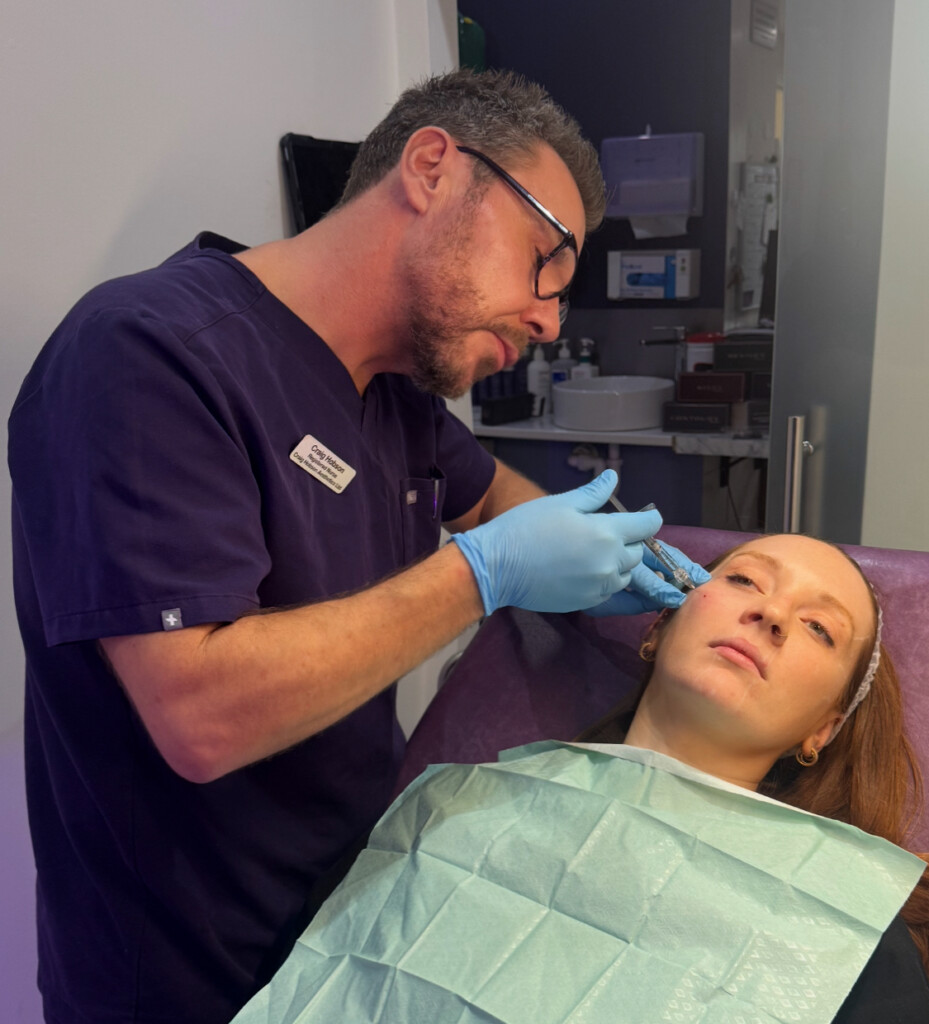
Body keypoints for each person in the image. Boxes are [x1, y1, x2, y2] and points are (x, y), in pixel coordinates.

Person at [7, 69, 707, 1024]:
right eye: (545, 258)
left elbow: (500, 497)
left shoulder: (394, 394)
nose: (549, 319)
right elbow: (201, 717)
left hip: (345, 937)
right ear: (431, 168)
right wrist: (483, 572)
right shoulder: (144, 355)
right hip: (179, 978)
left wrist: (611, 563)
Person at [229, 533, 929, 1023]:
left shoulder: (850, 940)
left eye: (817, 628)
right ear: (657, 628)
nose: (770, 613)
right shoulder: (446, 811)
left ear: (823, 729)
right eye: (742, 579)